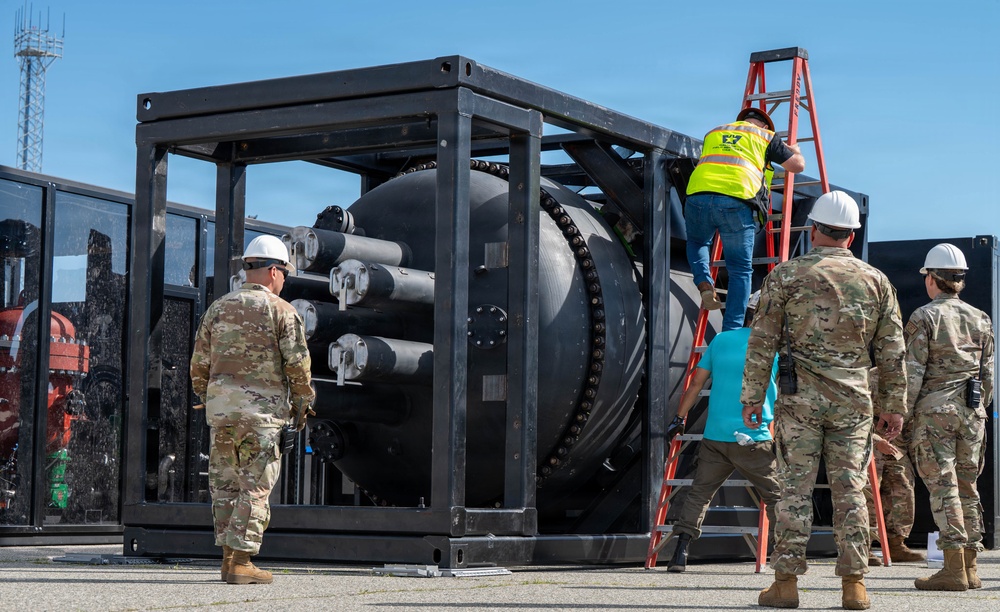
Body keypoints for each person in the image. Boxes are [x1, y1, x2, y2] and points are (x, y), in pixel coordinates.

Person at [740, 190, 907, 610]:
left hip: (800, 400)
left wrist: (753, 396)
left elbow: (762, 342)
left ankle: (785, 584)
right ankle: (855, 585)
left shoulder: (784, 276)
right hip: (854, 400)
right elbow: (892, 349)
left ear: (813, 230)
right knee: (851, 487)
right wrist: (893, 406)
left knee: (794, 488)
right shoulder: (876, 281)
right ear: (851, 235)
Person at [190, 234, 315, 585]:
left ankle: (230, 560)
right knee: (255, 487)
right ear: (274, 271)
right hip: (262, 418)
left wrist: (212, 399)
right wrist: (301, 409)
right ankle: (242, 561)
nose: (284, 280)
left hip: (222, 415)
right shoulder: (283, 311)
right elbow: (298, 368)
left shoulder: (218, 308)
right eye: (285, 274)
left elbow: (199, 365)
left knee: (226, 486)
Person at [663, 291, 780, 572]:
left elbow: (695, 386)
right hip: (754, 436)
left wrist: (679, 418)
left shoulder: (720, 340)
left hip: (715, 436)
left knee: (699, 494)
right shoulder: (775, 347)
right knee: (778, 497)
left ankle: (680, 553)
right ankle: (784, 554)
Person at [906, 243, 994, 591]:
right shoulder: (981, 318)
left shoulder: (924, 316)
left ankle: (954, 568)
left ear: (932, 279)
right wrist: (977, 408)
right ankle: (971, 568)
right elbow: (988, 376)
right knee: (967, 487)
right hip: (973, 414)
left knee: (944, 488)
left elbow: (912, 373)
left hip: (935, 412)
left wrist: (901, 414)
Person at [685, 107, 806, 331]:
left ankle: (703, 282)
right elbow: (796, 166)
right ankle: (731, 328)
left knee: (698, 242)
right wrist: (794, 150)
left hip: (698, 194)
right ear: (764, 126)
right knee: (739, 270)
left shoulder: (714, 132)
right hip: (738, 199)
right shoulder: (765, 136)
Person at [863, 367, 924, 567]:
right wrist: (876, 440)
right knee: (869, 489)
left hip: (898, 445)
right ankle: (864, 545)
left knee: (903, 485)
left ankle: (896, 543)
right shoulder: (871, 377)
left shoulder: (917, 378)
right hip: (869, 440)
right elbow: (856, 417)